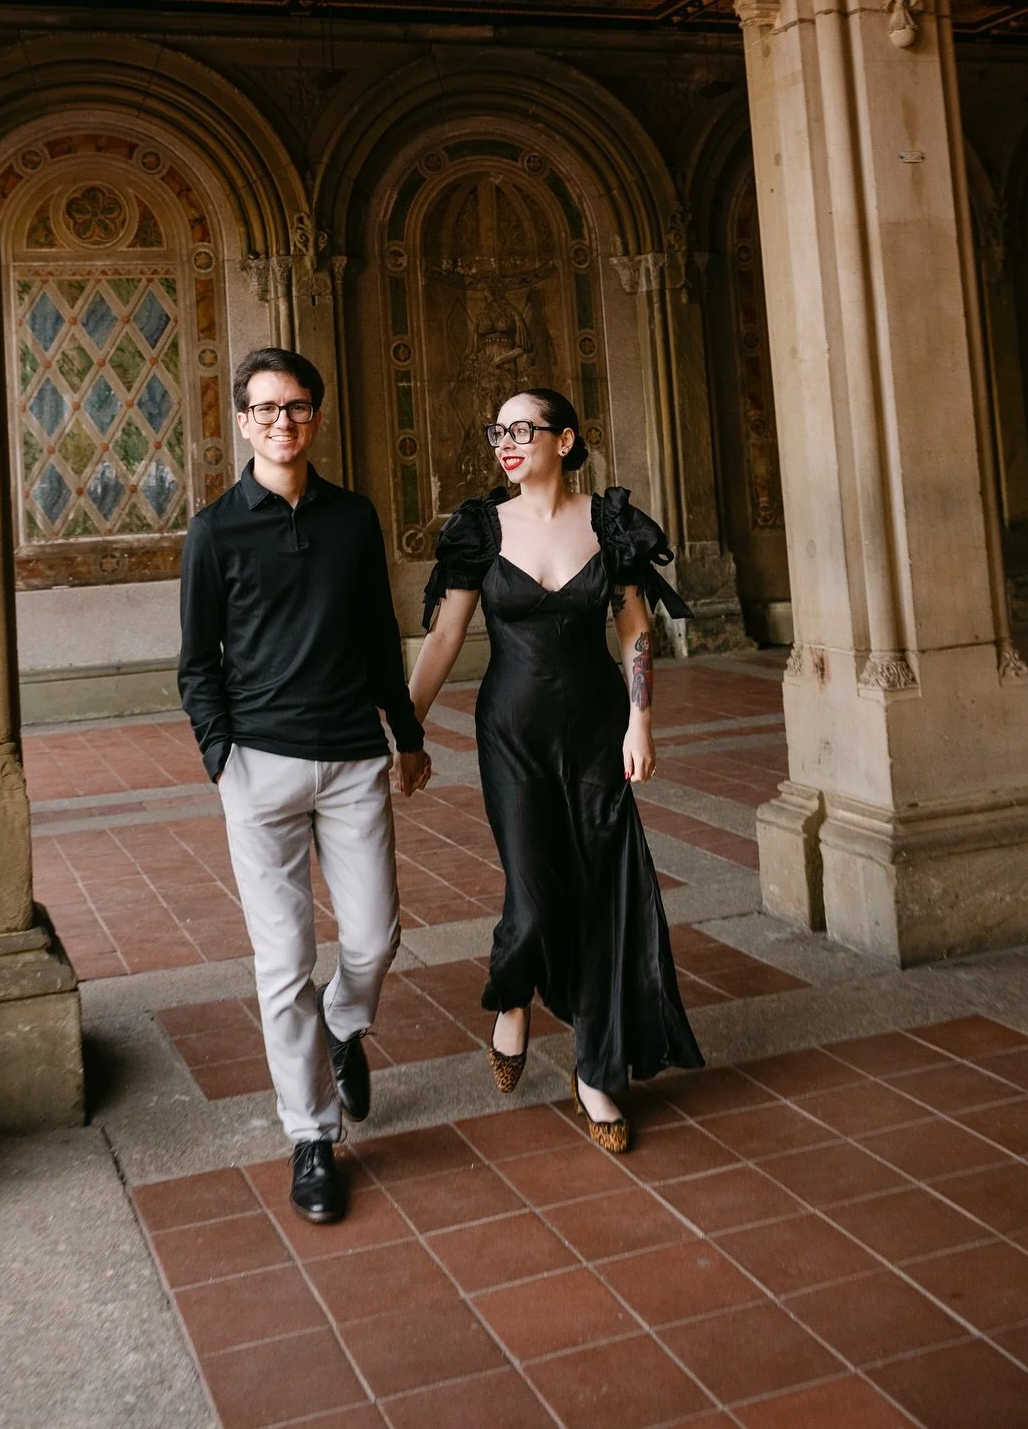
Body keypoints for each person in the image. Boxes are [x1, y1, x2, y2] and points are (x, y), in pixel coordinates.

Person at [408, 387, 703, 1149]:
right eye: (496, 430)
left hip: (598, 730)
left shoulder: (609, 524)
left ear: (564, 440)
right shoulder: (480, 528)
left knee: (605, 892)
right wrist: (405, 726)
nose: (506, 442)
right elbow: (444, 641)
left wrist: (641, 719)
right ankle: (513, 996)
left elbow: (635, 627)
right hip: (511, 735)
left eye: (522, 429)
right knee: (535, 896)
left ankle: (596, 1072)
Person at [178, 347, 431, 1223]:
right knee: (283, 963)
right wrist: (224, 761)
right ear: (243, 422)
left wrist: (405, 734)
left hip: (353, 757)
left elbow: (377, 633)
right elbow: (195, 665)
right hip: (260, 767)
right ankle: (312, 1136)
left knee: (373, 938)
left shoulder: (355, 519)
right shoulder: (215, 530)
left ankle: (344, 1027)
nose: (283, 421)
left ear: (315, 418)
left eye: (298, 407)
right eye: (266, 408)